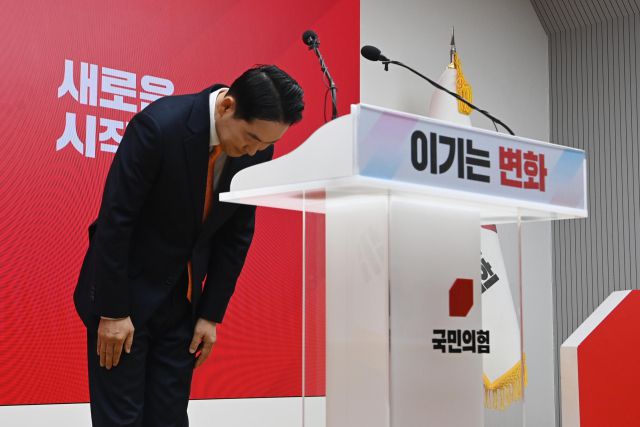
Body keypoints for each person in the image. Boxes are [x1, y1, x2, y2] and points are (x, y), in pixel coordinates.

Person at [73, 64, 304, 427]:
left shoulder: (257, 150)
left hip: (183, 306)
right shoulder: (159, 126)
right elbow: (116, 222)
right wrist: (113, 311)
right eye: (251, 138)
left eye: (266, 144)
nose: (254, 151)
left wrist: (210, 314)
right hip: (126, 298)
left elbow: (237, 235)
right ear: (227, 106)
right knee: (122, 420)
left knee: (170, 419)